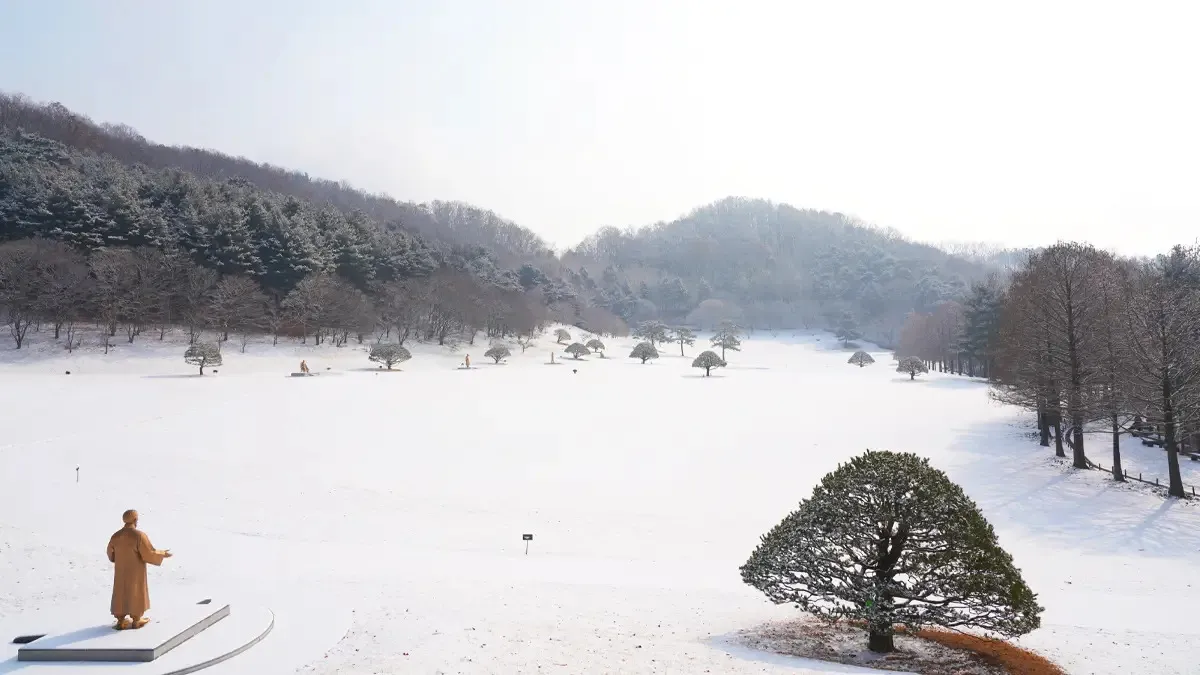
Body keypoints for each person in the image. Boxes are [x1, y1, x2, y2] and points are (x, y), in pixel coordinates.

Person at [107, 510, 172, 630]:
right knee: (135, 590)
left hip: (121, 571)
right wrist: (162, 553)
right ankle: (136, 620)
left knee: (120, 591)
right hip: (135, 570)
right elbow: (148, 553)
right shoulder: (139, 536)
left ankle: (120, 620)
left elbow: (111, 555)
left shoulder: (115, 536)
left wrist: (118, 559)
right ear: (135, 520)